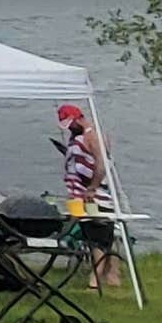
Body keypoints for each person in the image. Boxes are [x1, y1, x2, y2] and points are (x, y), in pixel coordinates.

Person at [58, 103, 124, 290]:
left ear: (79, 119)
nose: (69, 128)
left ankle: (95, 282)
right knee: (95, 237)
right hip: (80, 195)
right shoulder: (79, 138)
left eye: (71, 124)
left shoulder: (92, 136)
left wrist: (92, 188)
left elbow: (102, 165)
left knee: (99, 238)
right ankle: (110, 276)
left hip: (95, 195)